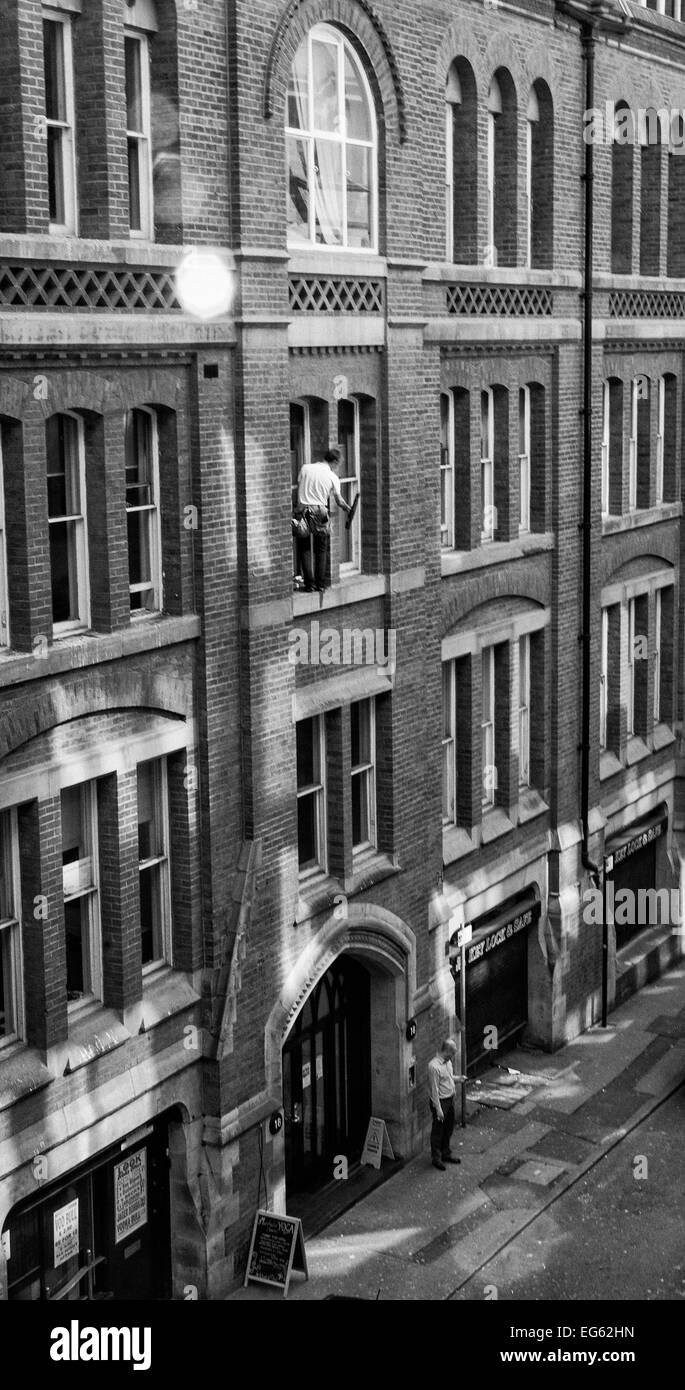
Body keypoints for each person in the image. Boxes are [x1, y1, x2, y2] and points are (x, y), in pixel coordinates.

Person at [294, 446, 352, 592]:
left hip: (303, 509)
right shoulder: (332, 477)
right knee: (321, 549)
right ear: (334, 461)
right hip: (320, 511)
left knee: (304, 548)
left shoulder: (305, 468)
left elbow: (300, 486)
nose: (338, 467)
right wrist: (347, 508)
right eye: (339, 464)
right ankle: (320, 584)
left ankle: (309, 584)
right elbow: (339, 501)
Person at [427, 1037, 462, 1170]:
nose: (453, 1056)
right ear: (447, 1051)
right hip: (440, 1102)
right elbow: (434, 1089)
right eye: (453, 1053)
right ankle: (436, 1158)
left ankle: (445, 1153)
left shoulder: (447, 1063)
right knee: (438, 1130)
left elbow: (448, 1078)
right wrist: (439, 1109)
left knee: (448, 1128)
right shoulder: (434, 1066)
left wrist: (458, 1079)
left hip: (449, 1099)